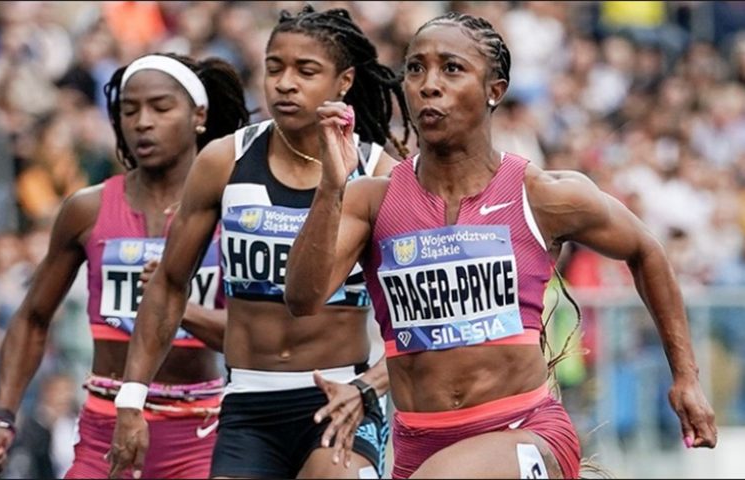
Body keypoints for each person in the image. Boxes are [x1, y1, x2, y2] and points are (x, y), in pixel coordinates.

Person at [284, 12, 718, 479]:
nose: (429, 84)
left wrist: (686, 379)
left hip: (527, 429)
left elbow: (645, 249)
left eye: (452, 68)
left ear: (495, 89)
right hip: (417, 446)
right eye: (415, 68)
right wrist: (331, 186)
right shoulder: (372, 199)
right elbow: (303, 299)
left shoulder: (543, 194)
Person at [108, 6, 412, 479]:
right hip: (249, 399)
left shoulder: (379, 175)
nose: (285, 83)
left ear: (344, 82)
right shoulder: (224, 160)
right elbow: (169, 283)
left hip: (338, 393)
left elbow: (418, 318)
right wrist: (132, 397)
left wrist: (370, 387)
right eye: (274, 68)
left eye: (306, 71)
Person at [0, 52, 249, 478]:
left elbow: (253, 339)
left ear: (199, 115)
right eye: (128, 110)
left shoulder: (233, 210)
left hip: (198, 433)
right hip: (106, 430)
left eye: (160, 107)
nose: (142, 122)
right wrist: (3, 417)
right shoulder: (88, 209)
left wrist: (175, 303)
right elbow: (32, 317)